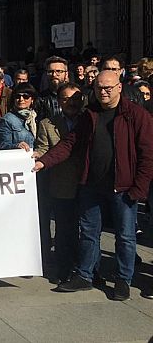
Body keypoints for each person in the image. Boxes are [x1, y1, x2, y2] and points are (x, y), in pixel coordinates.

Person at [36, 71, 153, 301]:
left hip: (124, 188)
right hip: (92, 186)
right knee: (89, 233)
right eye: (99, 87)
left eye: (109, 87)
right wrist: (44, 161)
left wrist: (138, 189)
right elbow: (69, 143)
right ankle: (85, 275)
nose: (104, 91)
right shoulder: (90, 115)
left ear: (119, 87)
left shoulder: (136, 115)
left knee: (125, 236)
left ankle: (122, 280)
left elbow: (147, 155)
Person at [34, 82, 84, 283]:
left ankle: (88, 269)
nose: (70, 103)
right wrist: (37, 156)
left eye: (74, 99)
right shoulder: (48, 123)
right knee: (64, 228)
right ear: (58, 101)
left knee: (89, 230)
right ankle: (63, 269)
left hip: (87, 182)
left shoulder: (90, 120)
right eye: (65, 99)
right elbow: (43, 149)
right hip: (61, 184)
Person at [0, 83, 38, 151]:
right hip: (19, 158)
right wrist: (16, 146)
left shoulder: (36, 117)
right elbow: (2, 145)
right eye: (17, 96)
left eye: (25, 96)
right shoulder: (7, 120)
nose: (21, 99)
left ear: (32, 99)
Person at [36, 56, 69, 124]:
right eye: (50, 71)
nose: (54, 75)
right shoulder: (40, 99)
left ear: (66, 74)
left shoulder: (75, 97)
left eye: (59, 71)